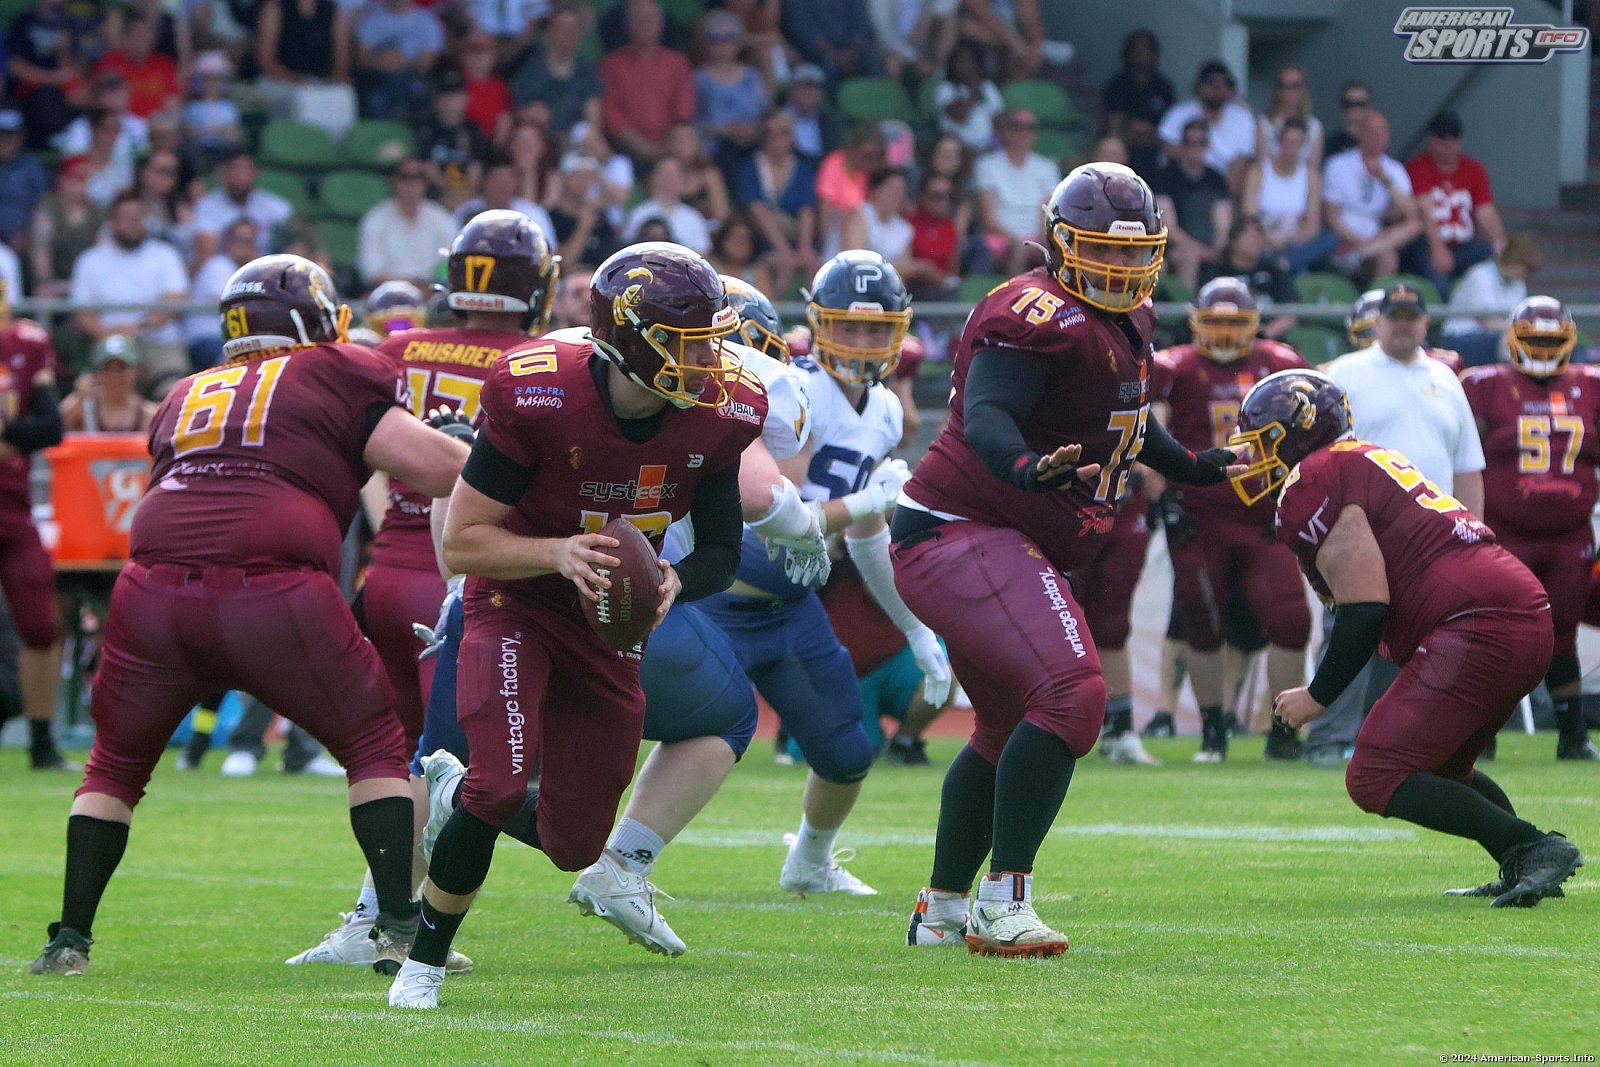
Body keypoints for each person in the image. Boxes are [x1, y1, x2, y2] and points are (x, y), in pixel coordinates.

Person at [27, 254, 471, 977]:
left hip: (151, 592)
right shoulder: (335, 368)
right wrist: (473, 448)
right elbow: (435, 467)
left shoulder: (185, 390)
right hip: (272, 587)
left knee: (113, 767)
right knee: (375, 746)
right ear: (312, 321)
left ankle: (68, 940)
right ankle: (395, 928)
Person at [383, 243, 766, 1008]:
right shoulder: (539, 393)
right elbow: (463, 542)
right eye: (690, 344)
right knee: (499, 783)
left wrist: (675, 580)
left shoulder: (722, 413)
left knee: (576, 844)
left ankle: (454, 791)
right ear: (631, 341)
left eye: (710, 343)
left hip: (609, 627)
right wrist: (556, 553)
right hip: (515, 601)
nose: (709, 362)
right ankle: (421, 964)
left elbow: (722, 551)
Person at [889, 162, 1240, 955]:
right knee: (1074, 694)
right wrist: (1023, 467)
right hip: (959, 526)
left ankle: (941, 908)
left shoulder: (1131, 319)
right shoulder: (1033, 312)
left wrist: (1194, 466)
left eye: (1131, 254)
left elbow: (1128, 416)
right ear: (1058, 244)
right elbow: (988, 415)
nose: (1117, 268)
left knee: (1003, 726)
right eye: (1101, 251)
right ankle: (1003, 900)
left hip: (991, 534)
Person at [285, 211, 560, 971]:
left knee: (400, 760)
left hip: (388, 570)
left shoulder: (396, 349)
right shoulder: (543, 360)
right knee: (450, 772)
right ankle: (393, 926)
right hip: (465, 574)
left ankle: (372, 918)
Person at [1233, 369, 1584, 907]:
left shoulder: (1315, 478)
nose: (1252, 459)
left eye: (1261, 444)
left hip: (1479, 619)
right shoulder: (1359, 459)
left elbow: (1365, 608)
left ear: (1296, 434)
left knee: (1373, 774)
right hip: (1512, 610)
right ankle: (1522, 859)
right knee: (1439, 767)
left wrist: (1317, 696)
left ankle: (1535, 847)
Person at [1306, 284, 1485, 766]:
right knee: (1351, 629)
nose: (1403, 325)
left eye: (1411, 317)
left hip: (1432, 537)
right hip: (1359, 529)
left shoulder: (1446, 379)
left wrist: (1474, 533)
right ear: (1378, 322)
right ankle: (1327, 738)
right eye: (1395, 316)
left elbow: (1467, 465)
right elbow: (1315, 454)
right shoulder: (1344, 373)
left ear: (1426, 323)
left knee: (1417, 640)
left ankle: (1389, 741)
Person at [1150, 278, 1310, 762]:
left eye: (1233, 323)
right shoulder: (1174, 367)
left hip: (1264, 518)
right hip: (1199, 517)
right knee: (1202, 625)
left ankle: (1283, 732)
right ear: (1197, 323)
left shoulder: (1279, 363)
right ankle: (1213, 730)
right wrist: (1161, 493)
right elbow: (1145, 433)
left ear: (1254, 324)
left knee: (1291, 619)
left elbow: (1310, 435)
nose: (1223, 333)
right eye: (1214, 322)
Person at [1460, 297, 1599, 761]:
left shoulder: (1591, 385)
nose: (1541, 348)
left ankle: (1572, 736)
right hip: (1505, 534)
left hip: (1570, 536)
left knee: (1563, 633)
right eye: (1534, 339)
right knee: (1494, 632)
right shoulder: (1483, 385)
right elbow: (1463, 456)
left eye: (1550, 340)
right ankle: (1481, 735)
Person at [0, 283, 67, 770]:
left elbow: (50, 428)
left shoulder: (25, 343)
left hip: (12, 505)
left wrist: (8, 436)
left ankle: (42, 745)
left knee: (42, 626)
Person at [1070, 470, 1157, 766]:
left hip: (1123, 504)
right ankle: (1031, 723)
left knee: (1112, 626)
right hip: (1069, 503)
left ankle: (1119, 730)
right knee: (1049, 618)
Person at [69, 191, 191, 394]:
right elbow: (82, 314)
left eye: (138, 217)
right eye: (127, 218)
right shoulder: (90, 260)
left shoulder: (165, 254)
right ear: (112, 222)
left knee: (173, 391)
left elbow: (176, 301)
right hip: (108, 342)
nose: (134, 223)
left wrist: (137, 327)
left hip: (158, 342)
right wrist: (111, 336)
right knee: (99, 391)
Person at [1404, 109, 1507, 296]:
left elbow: (1485, 211)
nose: (1449, 145)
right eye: (1443, 139)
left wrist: (1500, 242)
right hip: (1428, 243)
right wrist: (1437, 247)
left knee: (1494, 265)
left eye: (1454, 139)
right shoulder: (1418, 167)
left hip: (1465, 244)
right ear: (1432, 140)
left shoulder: (1474, 169)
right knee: (1440, 284)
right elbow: (1424, 211)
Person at [1321, 111, 1421, 281]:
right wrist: (1360, 240)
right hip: (1344, 233)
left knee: (1411, 231)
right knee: (1385, 252)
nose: (1378, 136)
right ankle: (1359, 254)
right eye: (1372, 131)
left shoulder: (1394, 169)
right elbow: (1332, 217)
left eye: (1382, 131)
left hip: (1375, 237)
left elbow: (1412, 212)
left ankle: (1361, 257)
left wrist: (1385, 180)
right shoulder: (1339, 164)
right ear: (1360, 133)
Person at [600, 0, 695, 165]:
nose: (646, 24)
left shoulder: (677, 63)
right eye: (640, 19)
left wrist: (668, 145)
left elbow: (683, 110)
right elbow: (611, 112)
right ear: (628, 24)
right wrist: (640, 145)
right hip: (626, 147)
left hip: (671, 146)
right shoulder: (612, 64)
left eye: (651, 18)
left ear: (661, 24)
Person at [1242, 116, 1335, 274]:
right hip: (1264, 238)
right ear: (1279, 141)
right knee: (1299, 268)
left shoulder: (1311, 176)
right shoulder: (1259, 171)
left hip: (1296, 241)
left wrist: (1294, 239)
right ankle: (1287, 265)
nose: (1292, 148)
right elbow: (1249, 216)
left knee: (1330, 239)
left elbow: (1313, 223)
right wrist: (1269, 238)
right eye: (1288, 141)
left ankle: (1283, 264)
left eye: (1298, 143)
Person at [973, 108, 1059, 276]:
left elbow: (1046, 214)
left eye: (1029, 127)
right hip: (999, 238)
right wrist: (1018, 241)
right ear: (1005, 131)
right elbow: (988, 219)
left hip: (1036, 238)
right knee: (1018, 248)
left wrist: (1040, 240)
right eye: (1016, 125)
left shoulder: (1047, 168)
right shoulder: (986, 165)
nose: (1023, 132)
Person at [1152, 120, 1231, 292]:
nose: (1195, 148)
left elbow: (1224, 221)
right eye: (1189, 143)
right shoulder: (1165, 176)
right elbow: (1169, 228)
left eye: (1201, 143)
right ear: (1181, 145)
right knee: (1190, 256)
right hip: (1175, 247)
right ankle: (1187, 305)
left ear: (1207, 146)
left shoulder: (1216, 179)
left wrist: (1218, 248)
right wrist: (1202, 251)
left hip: (1212, 248)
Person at [1157, 60, 1257, 195]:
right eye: (1211, 83)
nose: (1218, 89)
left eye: (1224, 84)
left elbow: (1243, 162)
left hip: (1222, 188)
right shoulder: (1178, 113)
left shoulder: (1243, 118)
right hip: (1181, 186)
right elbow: (1169, 151)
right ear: (1199, 87)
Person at [1441, 233, 1541, 367]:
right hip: (1459, 337)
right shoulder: (1479, 275)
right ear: (1514, 260)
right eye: (1526, 268)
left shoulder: (1519, 285)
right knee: (1510, 341)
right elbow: (1487, 322)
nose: (1527, 275)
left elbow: (1517, 319)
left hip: (1495, 338)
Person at [358, 159, 460, 288]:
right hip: (387, 293)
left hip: (431, 293)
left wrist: (425, 289)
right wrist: (409, 288)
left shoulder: (443, 219)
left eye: (417, 177)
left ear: (426, 182)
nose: (411, 183)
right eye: (404, 176)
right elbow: (372, 272)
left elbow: (449, 268)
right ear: (393, 180)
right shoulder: (375, 218)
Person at [693, 12, 768, 180]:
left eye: (730, 37)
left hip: (753, 147)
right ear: (707, 43)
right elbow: (695, 122)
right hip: (716, 151)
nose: (723, 44)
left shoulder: (753, 77)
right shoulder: (699, 79)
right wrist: (728, 129)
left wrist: (753, 129)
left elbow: (765, 113)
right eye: (716, 38)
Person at [509, 1, 599, 137]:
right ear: (550, 32)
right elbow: (519, 110)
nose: (569, 34)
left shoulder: (587, 72)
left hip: (575, 142)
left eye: (573, 28)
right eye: (563, 29)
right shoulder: (532, 68)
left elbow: (594, 119)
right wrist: (530, 114)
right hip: (541, 139)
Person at [193, 148, 294, 263]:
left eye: (246, 169)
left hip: (264, 265)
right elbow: (206, 255)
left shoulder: (270, 204)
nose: (241, 175)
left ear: (256, 172)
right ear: (224, 173)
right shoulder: (207, 205)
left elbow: (297, 229)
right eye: (236, 169)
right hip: (226, 265)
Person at [1100, 28, 1175, 179]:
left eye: (1146, 49)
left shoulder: (1163, 87)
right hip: (1122, 158)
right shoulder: (1118, 85)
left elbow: (1167, 134)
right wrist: (1144, 132)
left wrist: (1139, 128)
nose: (1141, 55)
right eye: (1137, 49)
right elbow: (1114, 126)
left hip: (1155, 161)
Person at [352, 0, 443, 121]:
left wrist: (402, 61)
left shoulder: (427, 21)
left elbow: (428, 63)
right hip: (378, 79)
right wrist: (383, 61)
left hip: (412, 77)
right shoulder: (372, 20)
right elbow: (361, 59)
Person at [60, 335, 158, 433]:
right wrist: (78, 396)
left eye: (122, 368)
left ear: (135, 371)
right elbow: (59, 422)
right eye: (108, 369)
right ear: (97, 373)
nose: (115, 376)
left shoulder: (148, 415)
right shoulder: (86, 409)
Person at [622, 156, 712, 253]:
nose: (669, 180)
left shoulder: (694, 218)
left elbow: (702, 253)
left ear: (683, 180)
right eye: (665, 175)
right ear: (654, 178)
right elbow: (627, 249)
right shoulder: (639, 213)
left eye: (674, 175)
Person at [933, 38, 1003, 154]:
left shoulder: (988, 87)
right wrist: (974, 89)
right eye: (961, 60)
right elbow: (961, 116)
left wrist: (994, 147)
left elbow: (997, 121)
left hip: (987, 150)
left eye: (970, 60)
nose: (965, 64)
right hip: (958, 151)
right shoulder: (945, 89)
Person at [0, 109, 50, 248]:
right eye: (2, 135)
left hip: (25, 238)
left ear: (20, 137)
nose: (5, 141)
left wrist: (27, 234)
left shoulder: (31, 165)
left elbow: (41, 203)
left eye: (11, 136)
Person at [1257, 66, 1322, 169]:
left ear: (1304, 90)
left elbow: (1313, 167)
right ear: (1277, 90)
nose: (1289, 91)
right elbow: (1261, 166)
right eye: (1283, 86)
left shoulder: (1314, 127)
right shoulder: (1264, 123)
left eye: (1295, 86)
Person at [1324, 81, 1371, 157]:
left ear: (1369, 107)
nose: (1356, 110)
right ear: (1342, 107)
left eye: (1361, 104)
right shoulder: (1331, 144)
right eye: (1350, 104)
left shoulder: (1377, 144)